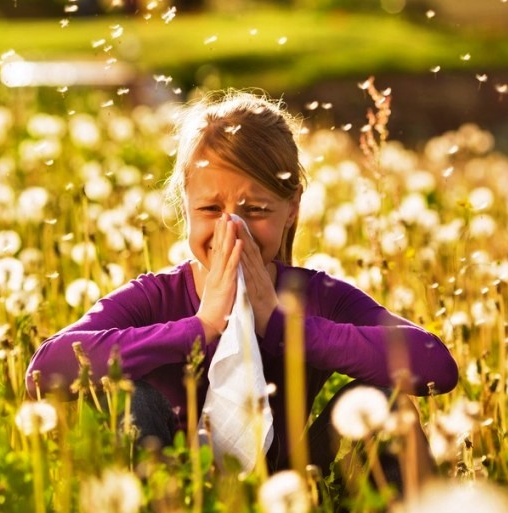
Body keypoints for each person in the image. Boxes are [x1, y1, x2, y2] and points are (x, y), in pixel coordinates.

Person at [26, 90, 458, 486]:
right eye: (211, 208)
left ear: (292, 210)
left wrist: (285, 327)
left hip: (293, 485)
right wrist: (201, 327)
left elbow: (435, 365)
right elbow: (44, 371)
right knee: (126, 397)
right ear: (185, 206)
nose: (232, 229)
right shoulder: (156, 296)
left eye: (255, 209)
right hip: (170, 485)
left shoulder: (315, 296)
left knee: (384, 402)